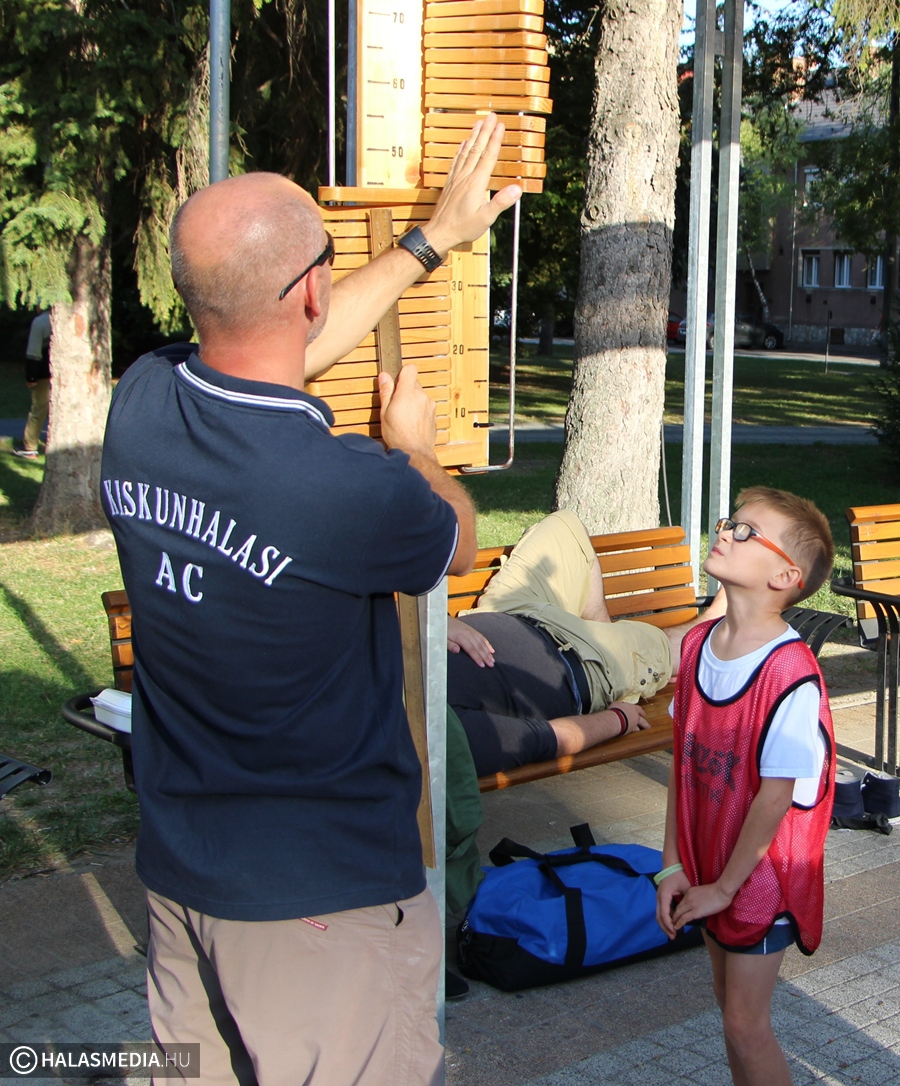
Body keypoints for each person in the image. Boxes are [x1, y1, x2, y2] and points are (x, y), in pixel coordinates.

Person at [101, 116, 520, 1085]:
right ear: (313, 290)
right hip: (322, 907)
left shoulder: (142, 403)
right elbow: (453, 541)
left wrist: (428, 241)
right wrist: (416, 449)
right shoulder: (346, 490)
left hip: (182, 877)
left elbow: (278, 342)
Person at [656, 486, 836, 1086]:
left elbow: (775, 797)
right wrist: (672, 863)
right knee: (728, 1009)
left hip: (760, 877)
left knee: (745, 1024)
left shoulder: (790, 673)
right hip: (710, 864)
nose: (724, 534)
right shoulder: (695, 646)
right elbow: (683, 763)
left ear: (785, 576)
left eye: (744, 531)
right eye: (727, 523)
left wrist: (725, 888)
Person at [446, 509, 724, 777]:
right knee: (665, 647)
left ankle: (605, 641)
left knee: (564, 526)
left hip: (509, 610)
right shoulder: (447, 738)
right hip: (577, 663)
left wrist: (439, 622)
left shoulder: (415, 683)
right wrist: (618, 720)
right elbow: (547, 739)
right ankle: (711, 619)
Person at [12, 310, 51, 458]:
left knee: (38, 410)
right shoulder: (69, 317)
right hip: (67, 375)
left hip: (44, 374)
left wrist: (31, 377)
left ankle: (29, 446)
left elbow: (34, 353)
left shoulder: (40, 322)